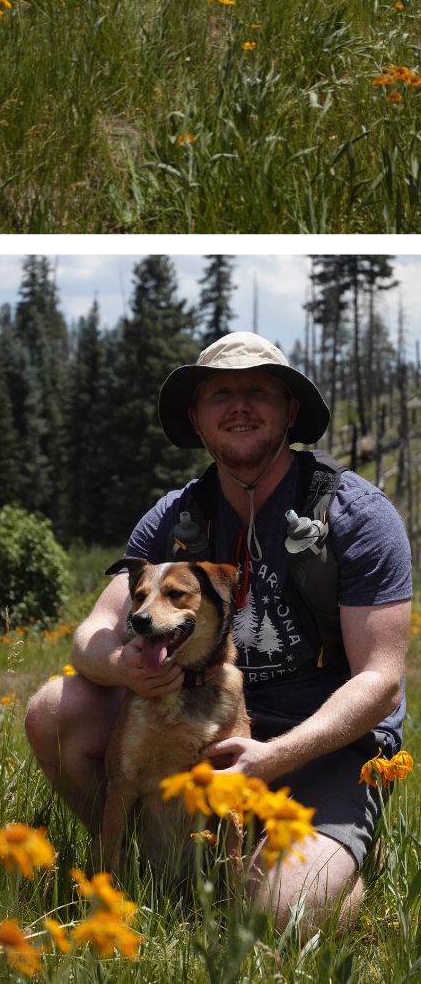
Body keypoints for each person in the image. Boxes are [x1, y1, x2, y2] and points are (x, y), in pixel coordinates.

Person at [24, 332, 412, 933]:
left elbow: (382, 680)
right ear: (196, 420)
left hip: (326, 750)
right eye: (219, 394)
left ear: (289, 411)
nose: (239, 405)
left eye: (259, 391)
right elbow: (93, 632)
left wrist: (272, 757)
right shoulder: (177, 515)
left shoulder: (356, 516)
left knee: (278, 914)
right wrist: (121, 664)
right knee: (55, 708)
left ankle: (346, 854)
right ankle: (136, 869)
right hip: (197, 732)